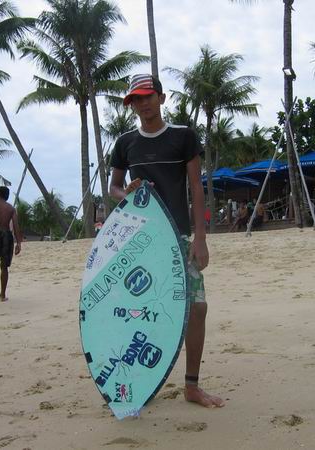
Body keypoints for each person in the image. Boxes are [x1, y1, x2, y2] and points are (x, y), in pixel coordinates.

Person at [109, 74, 224, 409]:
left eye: (148, 96)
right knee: (141, 312)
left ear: (161, 97)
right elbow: (114, 187)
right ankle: (136, 383)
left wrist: (200, 237)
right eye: (136, 99)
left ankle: (192, 386)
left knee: (197, 308)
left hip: (179, 236)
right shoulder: (126, 143)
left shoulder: (183, 136)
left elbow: (196, 187)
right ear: (131, 105)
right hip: (142, 241)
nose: (143, 103)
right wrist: (126, 193)